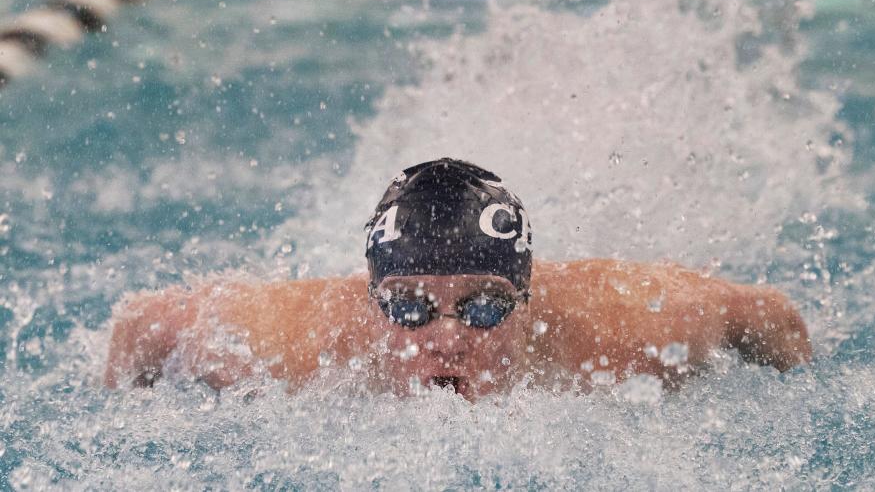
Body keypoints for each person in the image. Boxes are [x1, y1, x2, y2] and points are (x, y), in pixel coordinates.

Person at [104, 158, 811, 400]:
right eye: (410, 307)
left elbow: (765, 314)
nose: (448, 339)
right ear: (372, 301)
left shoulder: (632, 330)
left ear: (529, 304)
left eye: (482, 307)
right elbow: (145, 321)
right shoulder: (287, 345)